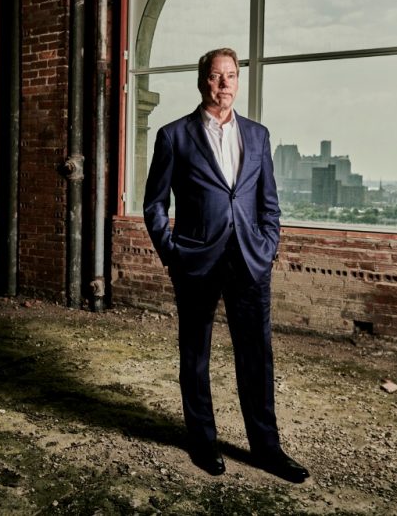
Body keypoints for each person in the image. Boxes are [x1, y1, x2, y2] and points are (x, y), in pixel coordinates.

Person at [142, 47, 309, 482]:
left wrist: (267, 245)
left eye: (231, 76)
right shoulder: (173, 135)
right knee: (195, 354)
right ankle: (202, 441)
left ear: (238, 81)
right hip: (196, 260)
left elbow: (268, 202)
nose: (224, 84)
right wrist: (173, 253)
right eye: (217, 77)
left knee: (256, 357)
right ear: (203, 82)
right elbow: (155, 204)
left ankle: (267, 449)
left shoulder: (257, 135)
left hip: (250, 261)